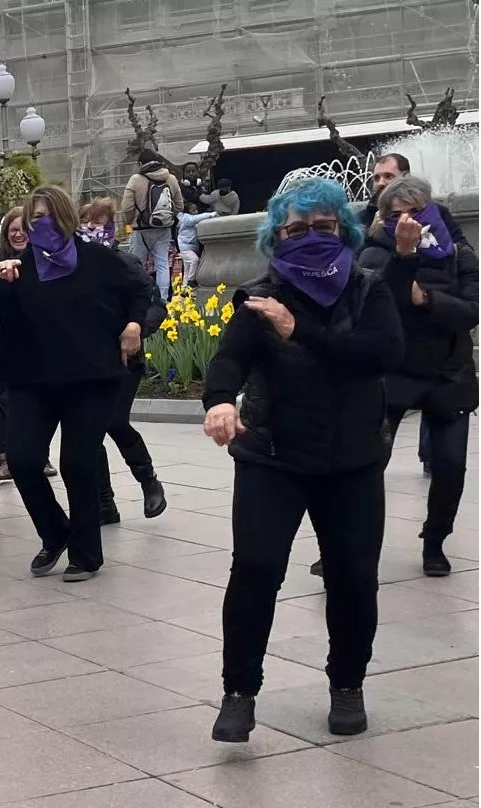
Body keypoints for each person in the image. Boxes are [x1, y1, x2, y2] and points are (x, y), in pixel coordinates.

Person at [201, 178, 402, 743]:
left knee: (354, 577)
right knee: (256, 570)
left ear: (344, 230)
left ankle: (347, 683)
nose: (311, 237)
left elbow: (383, 355)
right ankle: (239, 692)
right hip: (272, 455)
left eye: (323, 227)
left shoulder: (367, 289)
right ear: (276, 236)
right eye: (296, 229)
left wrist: (302, 332)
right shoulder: (261, 295)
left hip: (353, 458)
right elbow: (228, 362)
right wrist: (218, 402)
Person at [0, 185, 150, 582]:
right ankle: (55, 532)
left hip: (89, 379)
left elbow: (140, 291)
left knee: (77, 464)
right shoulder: (18, 268)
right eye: (34, 218)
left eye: (47, 217)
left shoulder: (99, 260)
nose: (41, 225)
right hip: (32, 380)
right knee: (22, 461)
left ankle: (86, 554)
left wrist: (135, 325)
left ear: (66, 217)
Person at [362, 177, 477, 577]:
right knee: (368, 462)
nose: (407, 221)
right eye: (396, 215)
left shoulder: (459, 251)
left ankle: (435, 541)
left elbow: (471, 311)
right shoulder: (376, 250)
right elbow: (370, 305)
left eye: (415, 212)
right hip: (396, 370)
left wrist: (426, 299)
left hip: (449, 373)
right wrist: (403, 255)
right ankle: (351, 543)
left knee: (450, 466)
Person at [77, 204, 170, 525]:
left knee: (114, 420)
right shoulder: (74, 265)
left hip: (123, 359)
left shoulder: (124, 262)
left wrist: (137, 328)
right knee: (90, 431)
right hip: (86, 362)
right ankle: (104, 501)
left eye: (97, 223)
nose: (90, 228)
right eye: (85, 222)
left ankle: (149, 481)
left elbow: (156, 303)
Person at [0, 208, 58, 484]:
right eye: (12, 229)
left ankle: (40, 454)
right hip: (3, 344)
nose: (18, 234)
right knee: (4, 403)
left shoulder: (46, 262)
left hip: (40, 345)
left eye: (23, 229)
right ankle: (5, 455)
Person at [121, 149, 184, 300]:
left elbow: (126, 207)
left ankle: (140, 298)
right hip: (163, 229)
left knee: (138, 264)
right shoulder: (171, 178)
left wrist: (131, 221)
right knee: (162, 263)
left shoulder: (135, 179)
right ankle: (163, 300)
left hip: (141, 229)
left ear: (140, 163)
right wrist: (166, 217)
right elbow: (180, 206)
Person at [177, 208, 219, 287]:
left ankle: (184, 291)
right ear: (188, 212)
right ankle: (191, 280)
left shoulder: (189, 221)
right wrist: (211, 214)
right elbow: (196, 218)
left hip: (189, 247)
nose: (197, 211)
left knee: (187, 270)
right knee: (194, 260)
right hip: (185, 248)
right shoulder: (186, 219)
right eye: (193, 210)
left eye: (197, 209)